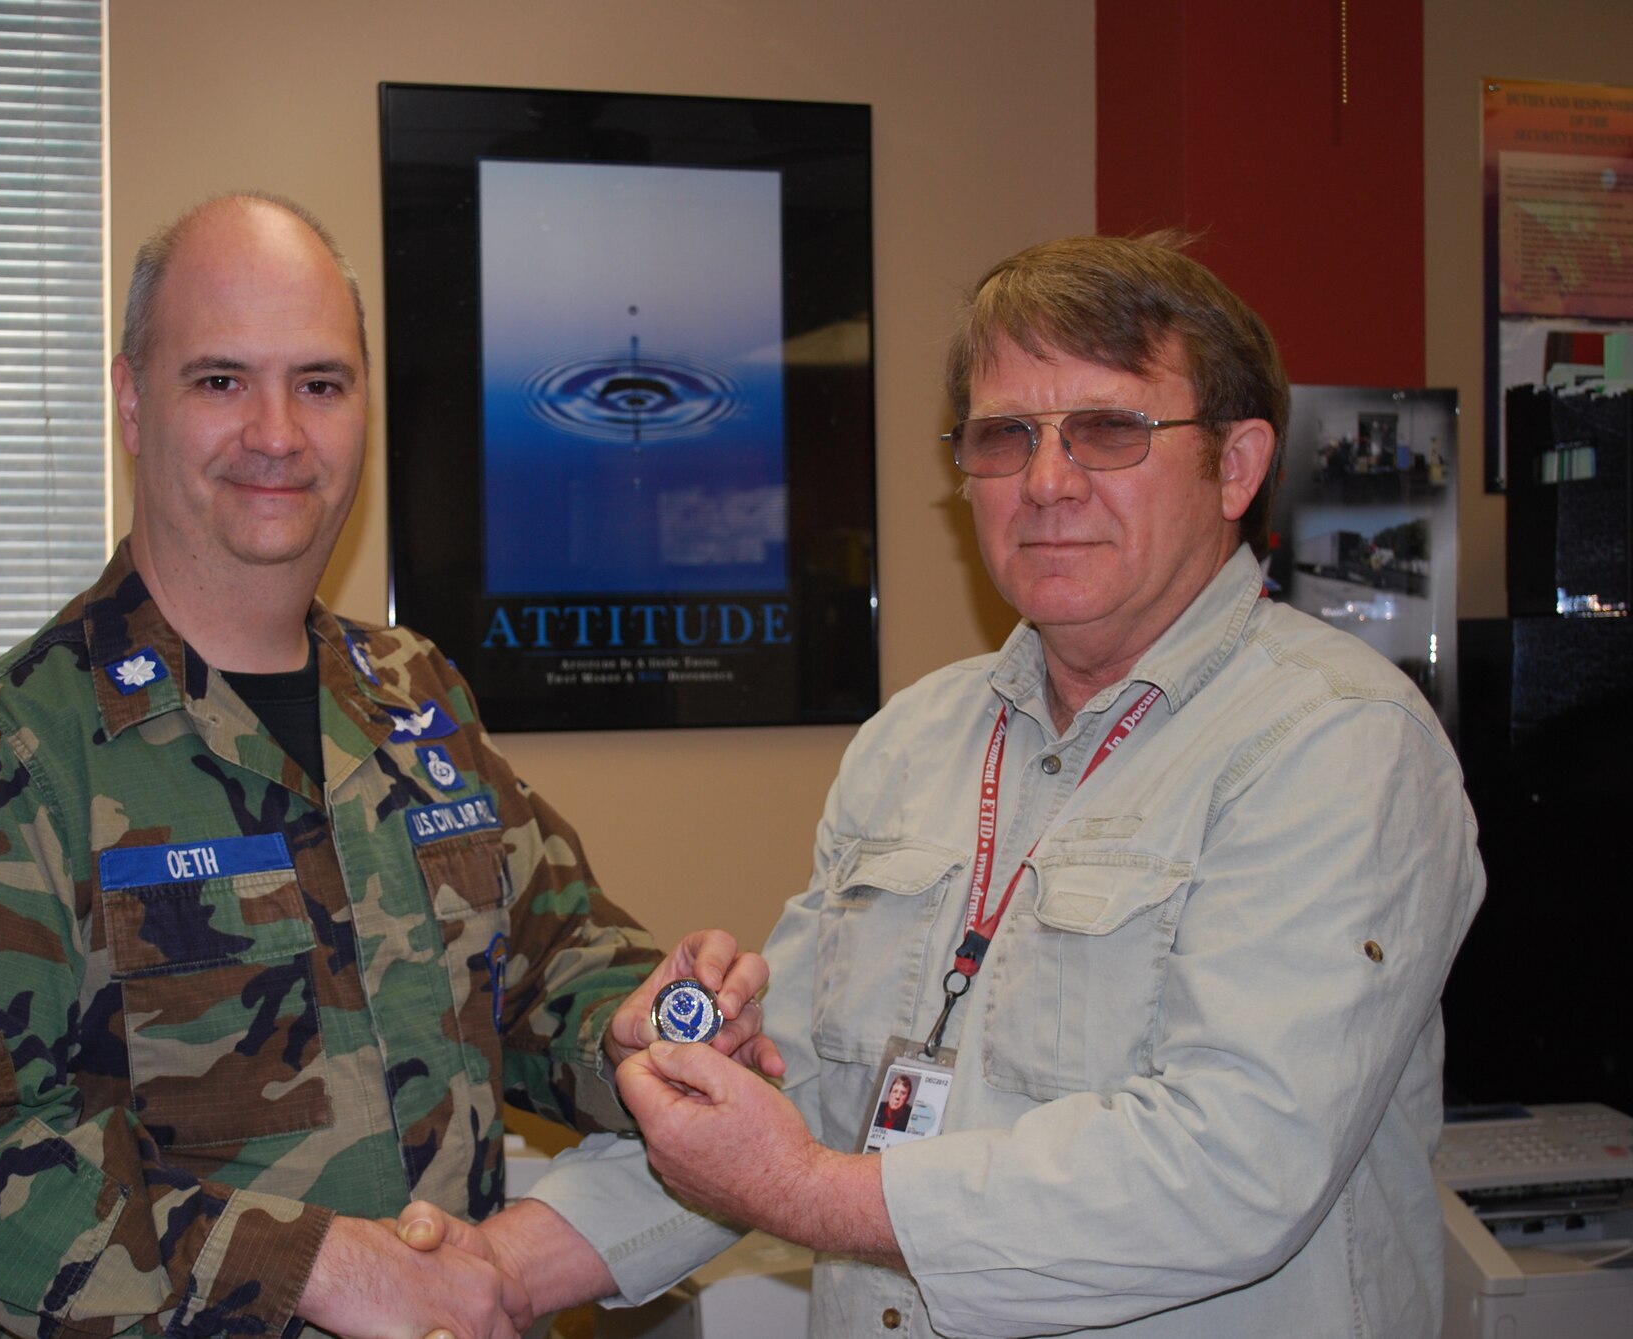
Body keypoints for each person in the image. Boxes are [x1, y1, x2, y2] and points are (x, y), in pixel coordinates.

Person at [402, 233, 1485, 1338]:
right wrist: (492, 1272)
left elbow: (1229, 1167)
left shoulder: (1337, 744)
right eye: (1003, 437)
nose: (1047, 482)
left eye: (1108, 430)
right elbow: (800, 1088)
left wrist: (805, 1191)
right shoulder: (913, 739)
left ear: (1237, 464)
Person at [0, 192, 771, 1339]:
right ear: (134, 401)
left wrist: (631, 1027)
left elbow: (544, 966)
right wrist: (307, 1266)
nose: (277, 431)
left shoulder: (415, 697)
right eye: (220, 380)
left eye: (320, 383)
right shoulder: (14, 752)